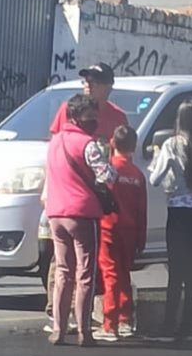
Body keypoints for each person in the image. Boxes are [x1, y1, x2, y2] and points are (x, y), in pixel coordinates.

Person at [44, 61, 129, 324]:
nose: (88, 84)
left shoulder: (117, 117)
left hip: (95, 197)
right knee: (62, 261)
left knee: (88, 260)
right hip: (66, 194)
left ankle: (82, 313)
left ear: (109, 87)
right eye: (86, 80)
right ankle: (57, 311)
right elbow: (55, 151)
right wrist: (46, 188)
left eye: (95, 81)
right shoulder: (69, 110)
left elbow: (118, 156)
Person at [44, 94, 116, 347]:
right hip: (82, 214)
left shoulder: (54, 143)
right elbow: (106, 175)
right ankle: (84, 331)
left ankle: (58, 329)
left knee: (63, 271)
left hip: (56, 214)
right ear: (78, 117)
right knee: (85, 273)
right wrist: (111, 163)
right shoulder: (88, 144)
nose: (94, 122)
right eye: (91, 118)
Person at [148, 98, 192, 340]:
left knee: (175, 270)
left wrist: (160, 162)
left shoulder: (171, 144)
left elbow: (154, 179)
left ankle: (169, 323)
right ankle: (187, 325)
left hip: (178, 211)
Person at [94, 125, 147, 342]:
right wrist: (141, 238)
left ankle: (110, 323)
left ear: (112, 143)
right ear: (134, 146)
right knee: (124, 273)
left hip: (109, 228)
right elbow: (142, 209)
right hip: (131, 230)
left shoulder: (109, 171)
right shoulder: (137, 174)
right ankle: (125, 319)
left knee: (110, 273)